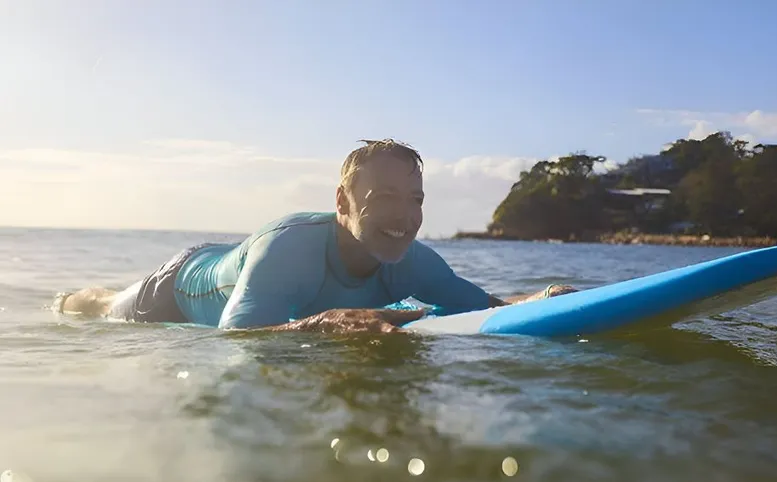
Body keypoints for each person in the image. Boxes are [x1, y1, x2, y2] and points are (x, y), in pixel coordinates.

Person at [54, 139, 576, 334]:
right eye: (385, 197)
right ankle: (71, 296)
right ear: (342, 203)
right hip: (180, 287)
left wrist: (548, 297)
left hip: (232, 268)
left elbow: (486, 308)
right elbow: (236, 337)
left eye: (415, 199)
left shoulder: (414, 261)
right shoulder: (290, 248)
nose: (405, 215)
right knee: (103, 309)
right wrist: (326, 322)